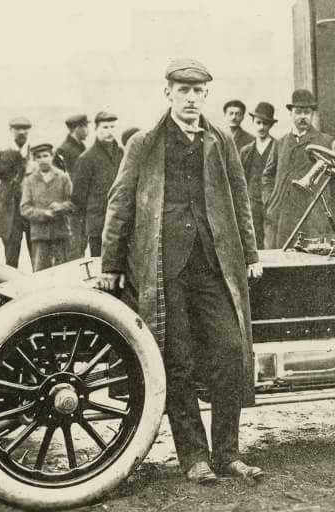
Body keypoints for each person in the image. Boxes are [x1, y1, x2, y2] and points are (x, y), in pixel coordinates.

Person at [97, 57, 264, 484]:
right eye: (182, 90)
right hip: (161, 269)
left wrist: (249, 254)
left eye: (198, 91)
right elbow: (120, 205)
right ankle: (194, 457)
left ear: (206, 95)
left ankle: (228, 453)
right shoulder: (144, 144)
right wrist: (111, 264)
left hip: (212, 264)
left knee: (230, 350)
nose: (190, 98)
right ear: (167, 93)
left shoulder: (220, 139)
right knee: (179, 360)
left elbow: (240, 200)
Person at [262, 89, 335, 249]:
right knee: (281, 262)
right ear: (291, 114)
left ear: (312, 115)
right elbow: (268, 175)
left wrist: (323, 202)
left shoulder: (325, 141)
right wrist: (270, 201)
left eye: (307, 112)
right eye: (298, 112)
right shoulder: (280, 143)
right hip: (282, 216)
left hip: (311, 216)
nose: (303, 116)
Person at [71, 111, 123, 257]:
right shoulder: (86, 159)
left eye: (113, 127)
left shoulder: (121, 153)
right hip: (98, 224)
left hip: (120, 222)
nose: (109, 131)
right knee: (99, 264)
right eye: (105, 127)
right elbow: (78, 197)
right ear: (96, 129)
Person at [19, 143, 74, 271]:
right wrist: (44, 214)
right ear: (35, 159)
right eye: (39, 157)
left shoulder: (63, 177)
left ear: (52, 156)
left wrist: (61, 207)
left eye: (46, 156)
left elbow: (74, 203)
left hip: (61, 234)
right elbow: (24, 208)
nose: (43, 160)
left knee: (64, 271)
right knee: (40, 273)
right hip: (40, 236)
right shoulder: (30, 180)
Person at [0, 116, 34, 269]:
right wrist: (16, 154)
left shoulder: (36, 151)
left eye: (25, 129)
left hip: (32, 210)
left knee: (38, 255)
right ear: (11, 131)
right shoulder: (4, 153)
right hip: (10, 213)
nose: (22, 132)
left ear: (29, 131)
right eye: (17, 129)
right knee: (11, 259)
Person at [239, 101, 277, 249]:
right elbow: (241, 179)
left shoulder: (277, 147)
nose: (261, 127)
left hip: (271, 202)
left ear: (270, 125)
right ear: (253, 123)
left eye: (265, 123)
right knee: (253, 239)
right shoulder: (246, 151)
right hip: (252, 203)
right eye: (258, 122)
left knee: (271, 240)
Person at [56, 113, 90, 259]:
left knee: (81, 244)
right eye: (85, 127)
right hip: (73, 208)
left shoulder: (80, 147)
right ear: (77, 128)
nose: (88, 130)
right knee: (75, 248)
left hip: (82, 205)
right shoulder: (64, 150)